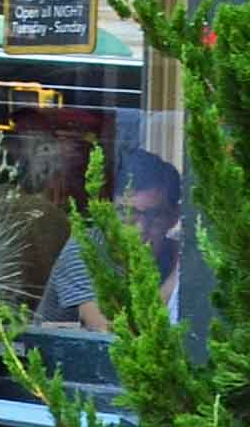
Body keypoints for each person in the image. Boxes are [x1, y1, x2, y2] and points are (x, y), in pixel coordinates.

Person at [38, 137, 207, 334]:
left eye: (153, 215)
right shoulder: (86, 249)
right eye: (127, 214)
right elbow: (113, 334)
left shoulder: (174, 253)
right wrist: (176, 277)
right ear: (109, 210)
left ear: (173, 217)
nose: (139, 228)